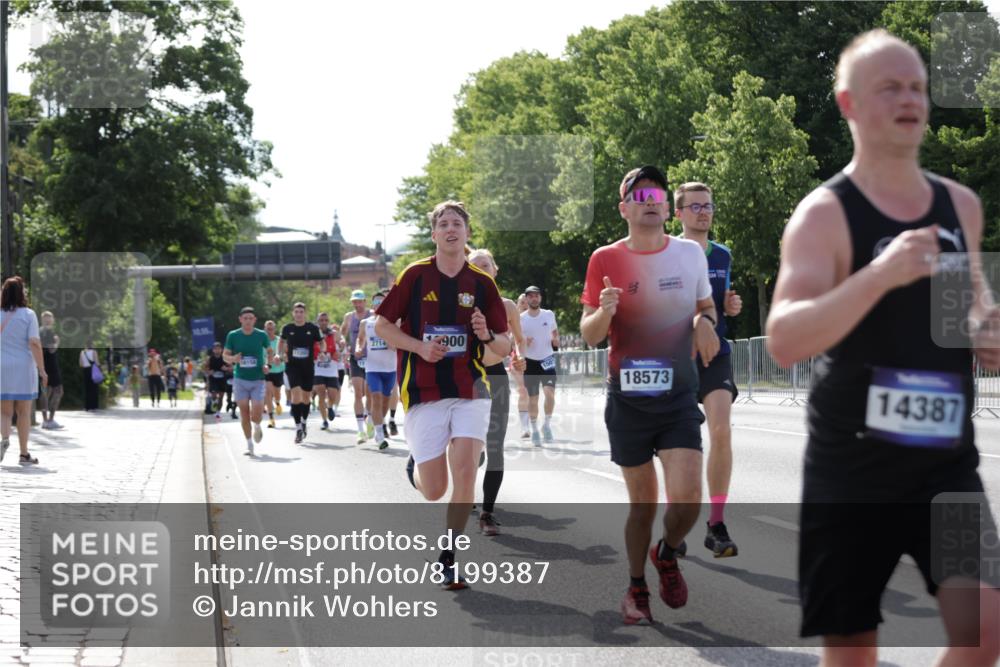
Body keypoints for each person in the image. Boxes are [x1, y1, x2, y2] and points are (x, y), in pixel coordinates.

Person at [766, 30, 1000, 666]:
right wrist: (880, 274)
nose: (910, 99)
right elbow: (785, 337)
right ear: (848, 104)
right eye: (889, 87)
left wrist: (985, 331)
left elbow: (966, 309)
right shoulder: (825, 214)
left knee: (984, 633)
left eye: (918, 86)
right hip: (854, 469)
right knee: (852, 655)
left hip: (945, 465)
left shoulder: (961, 205)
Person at [580, 165, 718, 625]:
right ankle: (636, 585)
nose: (651, 199)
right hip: (628, 400)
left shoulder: (689, 255)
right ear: (624, 208)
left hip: (678, 396)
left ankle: (666, 553)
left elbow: (705, 307)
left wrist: (706, 325)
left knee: (686, 502)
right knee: (643, 505)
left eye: (657, 192)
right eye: (640, 194)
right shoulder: (605, 258)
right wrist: (604, 312)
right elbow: (590, 336)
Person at [375, 201, 511, 589]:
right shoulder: (415, 275)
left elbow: (503, 346)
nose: (451, 229)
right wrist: (418, 347)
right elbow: (383, 326)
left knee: (466, 468)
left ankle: (449, 555)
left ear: (467, 234)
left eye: (458, 224)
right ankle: (416, 465)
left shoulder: (482, 284)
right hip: (423, 390)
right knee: (435, 490)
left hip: (471, 387)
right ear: (434, 234)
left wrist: (486, 335)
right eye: (444, 224)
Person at [675, 182, 744, 558]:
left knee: (721, 429)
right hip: (678, 357)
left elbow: (721, 301)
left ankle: (716, 524)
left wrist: (730, 306)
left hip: (716, 352)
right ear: (679, 213)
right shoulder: (666, 253)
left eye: (709, 206)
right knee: (681, 444)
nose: (704, 212)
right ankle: (677, 519)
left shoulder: (722, 254)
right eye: (695, 206)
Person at [468, 249, 527, 536]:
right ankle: (467, 483)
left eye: (485, 265)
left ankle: (487, 513)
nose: (480, 270)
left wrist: (519, 355)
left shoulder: (506, 306)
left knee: (495, 447)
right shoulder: (460, 304)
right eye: (474, 267)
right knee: (466, 448)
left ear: (495, 269)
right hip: (466, 381)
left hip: (495, 380)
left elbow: (518, 339)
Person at [1, 276, 46, 465]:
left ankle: (4, 440)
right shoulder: (28, 315)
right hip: (23, 367)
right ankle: (24, 454)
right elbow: (34, 343)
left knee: (4, 412)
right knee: (24, 412)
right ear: (21, 293)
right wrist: (42, 370)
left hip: (1, 366)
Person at [223, 307, 275, 457]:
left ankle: (257, 426)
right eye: (245, 318)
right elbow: (225, 356)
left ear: (254, 320)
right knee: (244, 413)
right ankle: (249, 444)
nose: (247, 321)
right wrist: (233, 359)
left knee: (256, 412)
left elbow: (270, 352)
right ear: (240, 319)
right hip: (240, 379)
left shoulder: (261, 335)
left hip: (258, 379)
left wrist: (268, 365)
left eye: (250, 318)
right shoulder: (233, 335)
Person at [279, 302, 325, 444]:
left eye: (301, 312)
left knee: (306, 398)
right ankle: (298, 427)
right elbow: (281, 342)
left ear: (305, 313)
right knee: (296, 394)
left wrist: (322, 352)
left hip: (308, 367)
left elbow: (321, 342)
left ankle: (304, 421)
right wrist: (279, 354)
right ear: (293, 313)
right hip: (292, 366)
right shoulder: (288, 328)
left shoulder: (313, 328)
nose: (299, 314)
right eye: (296, 312)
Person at [355, 291, 396, 449]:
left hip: (390, 368)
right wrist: (359, 349)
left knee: (385, 402)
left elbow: (395, 346)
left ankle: (375, 421)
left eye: (382, 302)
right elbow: (360, 340)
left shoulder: (393, 322)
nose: (379, 305)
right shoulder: (366, 323)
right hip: (373, 368)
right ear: (372, 306)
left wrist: (387, 338)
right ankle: (379, 436)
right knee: (376, 398)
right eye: (376, 302)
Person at [520, 286, 559, 445]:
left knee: (550, 394)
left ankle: (547, 426)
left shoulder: (549, 314)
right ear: (527, 299)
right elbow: (514, 338)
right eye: (531, 296)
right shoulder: (521, 318)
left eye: (536, 296)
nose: (534, 299)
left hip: (547, 359)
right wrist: (523, 341)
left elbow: (555, 333)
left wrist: (556, 340)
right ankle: (535, 429)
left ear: (540, 298)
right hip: (530, 361)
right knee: (533, 399)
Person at [342, 290, 375, 443]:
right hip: (355, 358)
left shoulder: (372, 314)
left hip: (371, 358)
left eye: (359, 301)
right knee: (357, 393)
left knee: (369, 394)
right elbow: (343, 333)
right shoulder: (349, 317)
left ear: (365, 301)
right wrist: (343, 342)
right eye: (354, 301)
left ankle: (369, 420)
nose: (357, 304)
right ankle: (360, 430)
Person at [312, 312, 342, 431]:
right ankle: (324, 421)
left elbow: (339, 347)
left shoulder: (333, 334)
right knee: (321, 395)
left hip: (331, 368)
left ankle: (330, 407)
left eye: (325, 320)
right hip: (318, 368)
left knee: (332, 395)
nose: (323, 322)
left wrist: (338, 352)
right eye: (321, 320)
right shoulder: (313, 334)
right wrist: (317, 355)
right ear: (317, 321)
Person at [37, 310, 64, 430]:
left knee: (45, 393)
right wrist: (57, 342)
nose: (49, 320)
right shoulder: (47, 332)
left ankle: (46, 421)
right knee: (57, 391)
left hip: (42, 365)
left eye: (50, 318)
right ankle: (49, 420)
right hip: (50, 366)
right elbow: (52, 349)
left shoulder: (39, 331)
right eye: (47, 318)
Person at [513, 293, 530, 438]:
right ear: (517, 304)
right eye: (522, 302)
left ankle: (532, 422)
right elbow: (508, 338)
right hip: (517, 360)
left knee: (532, 394)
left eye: (526, 302)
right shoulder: (512, 319)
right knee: (523, 391)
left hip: (534, 360)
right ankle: (525, 427)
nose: (525, 304)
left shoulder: (536, 318)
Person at [263, 320, 285, 428]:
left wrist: (279, 358)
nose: (269, 331)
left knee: (277, 393)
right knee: (267, 393)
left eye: (271, 329)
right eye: (268, 329)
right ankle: (271, 418)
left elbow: (284, 353)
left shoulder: (278, 340)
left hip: (278, 370)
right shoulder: (261, 341)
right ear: (265, 329)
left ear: (274, 329)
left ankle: (277, 402)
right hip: (267, 371)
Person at [203, 342, 229, 418]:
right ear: (213, 350)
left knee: (221, 397)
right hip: (213, 379)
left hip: (222, 380)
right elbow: (205, 369)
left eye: (219, 349)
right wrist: (209, 372)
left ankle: (218, 412)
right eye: (215, 349)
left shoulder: (224, 358)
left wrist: (226, 368)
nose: (217, 350)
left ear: (221, 350)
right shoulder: (210, 359)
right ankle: (214, 408)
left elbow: (231, 368)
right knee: (214, 395)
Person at [79, 342, 101, 411]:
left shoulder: (82, 352)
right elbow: (97, 362)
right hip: (93, 370)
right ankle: (93, 406)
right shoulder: (94, 352)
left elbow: (81, 364)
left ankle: (87, 406)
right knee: (94, 389)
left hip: (85, 371)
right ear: (92, 345)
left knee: (87, 389)